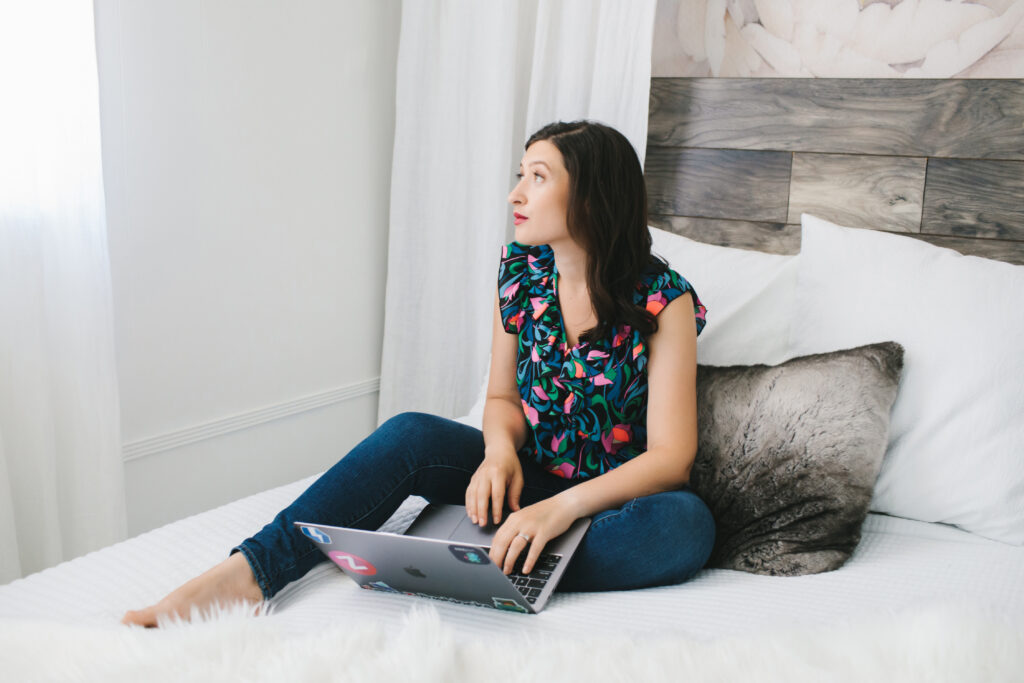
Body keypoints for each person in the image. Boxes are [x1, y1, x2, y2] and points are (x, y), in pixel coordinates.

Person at [122, 120, 715, 627]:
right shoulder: (521, 275)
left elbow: (670, 458)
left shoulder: (665, 300)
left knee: (685, 529)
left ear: (591, 197)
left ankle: (474, 563)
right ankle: (248, 575)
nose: (516, 193)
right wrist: (498, 452)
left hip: (613, 504)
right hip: (524, 484)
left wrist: (560, 511)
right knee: (410, 434)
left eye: (538, 177)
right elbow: (503, 397)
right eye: (520, 174)